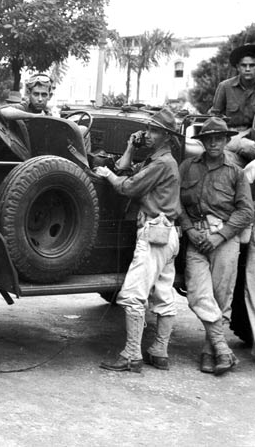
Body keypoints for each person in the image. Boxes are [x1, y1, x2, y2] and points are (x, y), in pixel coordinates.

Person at [94, 108, 181, 372]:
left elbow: (127, 186)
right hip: (168, 234)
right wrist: (131, 146)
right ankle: (159, 351)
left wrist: (107, 175)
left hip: (154, 232)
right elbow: (124, 168)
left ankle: (132, 353)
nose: (148, 134)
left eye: (154, 131)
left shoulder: (161, 164)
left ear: (166, 136)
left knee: (132, 295)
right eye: (149, 129)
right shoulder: (160, 161)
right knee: (164, 295)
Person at [178, 117, 253, 375]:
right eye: (209, 139)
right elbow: (176, 202)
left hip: (224, 240)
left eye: (219, 139)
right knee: (198, 295)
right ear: (203, 142)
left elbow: (246, 212)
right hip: (196, 239)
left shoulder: (235, 173)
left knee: (221, 298)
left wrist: (220, 237)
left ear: (225, 141)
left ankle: (209, 352)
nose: (214, 143)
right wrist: (188, 229)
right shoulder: (188, 167)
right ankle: (222, 348)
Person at [209, 43, 255, 163]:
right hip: (231, 136)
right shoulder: (225, 87)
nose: (248, 69)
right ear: (238, 67)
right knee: (248, 146)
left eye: (252, 65)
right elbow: (215, 117)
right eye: (244, 65)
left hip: (252, 136)